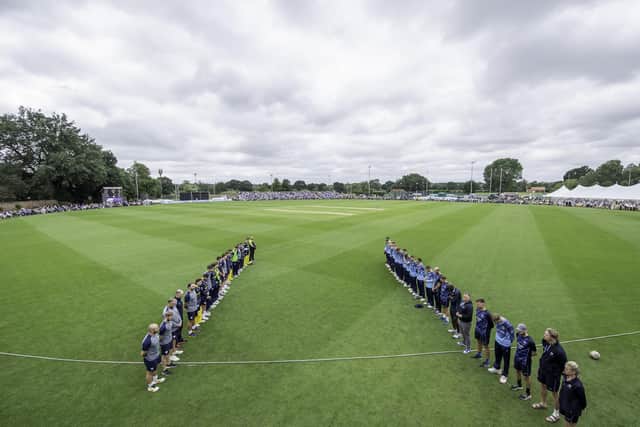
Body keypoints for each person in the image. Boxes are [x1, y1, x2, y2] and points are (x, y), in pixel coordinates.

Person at [532, 328, 567, 424]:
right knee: (542, 386)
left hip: (553, 376)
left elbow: (564, 366)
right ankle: (543, 403)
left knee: (555, 393)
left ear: (551, 337)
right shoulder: (546, 342)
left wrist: (559, 375)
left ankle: (556, 414)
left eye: (546, 334)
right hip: (543, 371)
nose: (544, 335)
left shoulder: (559, 351)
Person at [512, 323, 537, 400]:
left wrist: (526, 356)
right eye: (518, 330)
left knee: (526, 377)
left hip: (525, 361)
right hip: (517, 358)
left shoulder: (530, 341)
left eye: (520, 330)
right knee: (517, 371)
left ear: (525, 330)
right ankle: (519, 385)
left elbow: (534, 353)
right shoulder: (518, 335)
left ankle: (528, 394)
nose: (518, 332)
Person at [488, 313, 515, 384]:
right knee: (497, 355)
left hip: (505, 344)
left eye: (495, 322)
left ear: (498, 319)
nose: (495, 323)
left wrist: (509, 341)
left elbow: (512, 332)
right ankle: (497, 368)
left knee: (506, 360)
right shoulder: (496, 320)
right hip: (497, 340)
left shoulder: (506, 323)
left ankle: (505, 375)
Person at [559, 361, 587, 426]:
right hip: (566, 405)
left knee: (569, 424)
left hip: (573, 409)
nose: (564, 370)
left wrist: (583, 407)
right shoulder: (565, 377)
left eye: (567, 369)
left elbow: (582, 398)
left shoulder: (578, 385)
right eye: (565, 368)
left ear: (573, 372)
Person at [140, 323, 165, 392]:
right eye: (157, 328)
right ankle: (150, 386)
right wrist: (149, 357)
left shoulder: (156, 334)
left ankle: (155, 380)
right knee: (149, 372)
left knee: (155, 368)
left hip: (156, 356)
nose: (159, 328)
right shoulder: (147, 341)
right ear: (152, 330)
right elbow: (142, 353)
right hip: (150, 359)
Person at [472, 298, 493, 368]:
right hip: (478, 329)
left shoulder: (487, 313)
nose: (477, 305)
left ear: (483, 304)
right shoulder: (477, 310)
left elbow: (491, 324)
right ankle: (479, 353)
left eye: (478, 304)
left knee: (486, 346)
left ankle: (487, 361)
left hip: (485, 332)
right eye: (477, 304)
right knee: (478, 341)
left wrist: (486, 330)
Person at [159, 310, 175, 376]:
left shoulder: (170, 321)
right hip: (164, 343)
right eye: (171, 316)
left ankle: (168, 363)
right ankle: (164, 370)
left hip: (169, 340)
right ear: (167, 316)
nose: (172, 317)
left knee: (168, 353)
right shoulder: (163, 326)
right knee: (164, 355)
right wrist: (162, 342)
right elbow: (160, 336)